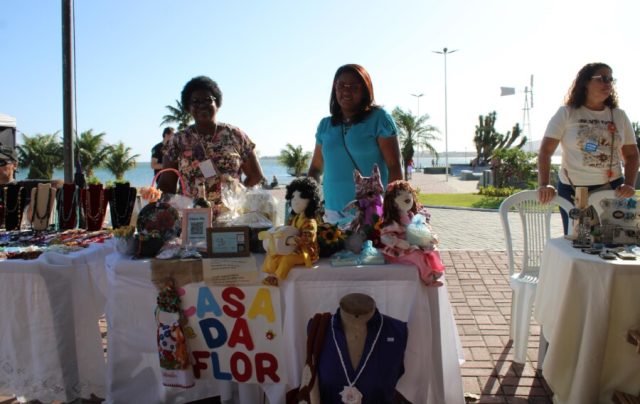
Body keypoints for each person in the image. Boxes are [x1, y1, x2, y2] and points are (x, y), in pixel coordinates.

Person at [537, 62, 639, 233]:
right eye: (603, 78)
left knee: (616, 244)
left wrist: (629, 184)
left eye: (611, 79)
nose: (608, 83)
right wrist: (544, 184)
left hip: (613, 189)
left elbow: (632, 155)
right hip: (572, 191)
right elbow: (545, 152)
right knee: (579, 243)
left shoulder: (619, 116)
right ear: (585, 82)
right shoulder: (566, 113)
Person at [308, 64, 402, 223]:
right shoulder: (325, 125)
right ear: (334, 89)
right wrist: (308, 200)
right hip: (332, 213)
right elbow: (316, 169)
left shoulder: (380, 118)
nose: (346, 90)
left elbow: (394, 166)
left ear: (365, 89)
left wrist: (393, 207)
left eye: (354, 86)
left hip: (372, 213)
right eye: (341, 85)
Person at [158, 76, 265, 218]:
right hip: (192, 221)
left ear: (217, 103)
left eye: (208, 100)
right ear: (188, 107)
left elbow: (256, 176)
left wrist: (238, 199)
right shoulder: (178, 140)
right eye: (195, 101)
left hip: (232, 219)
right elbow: (166, 185)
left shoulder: (236, 135)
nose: (202, 105)